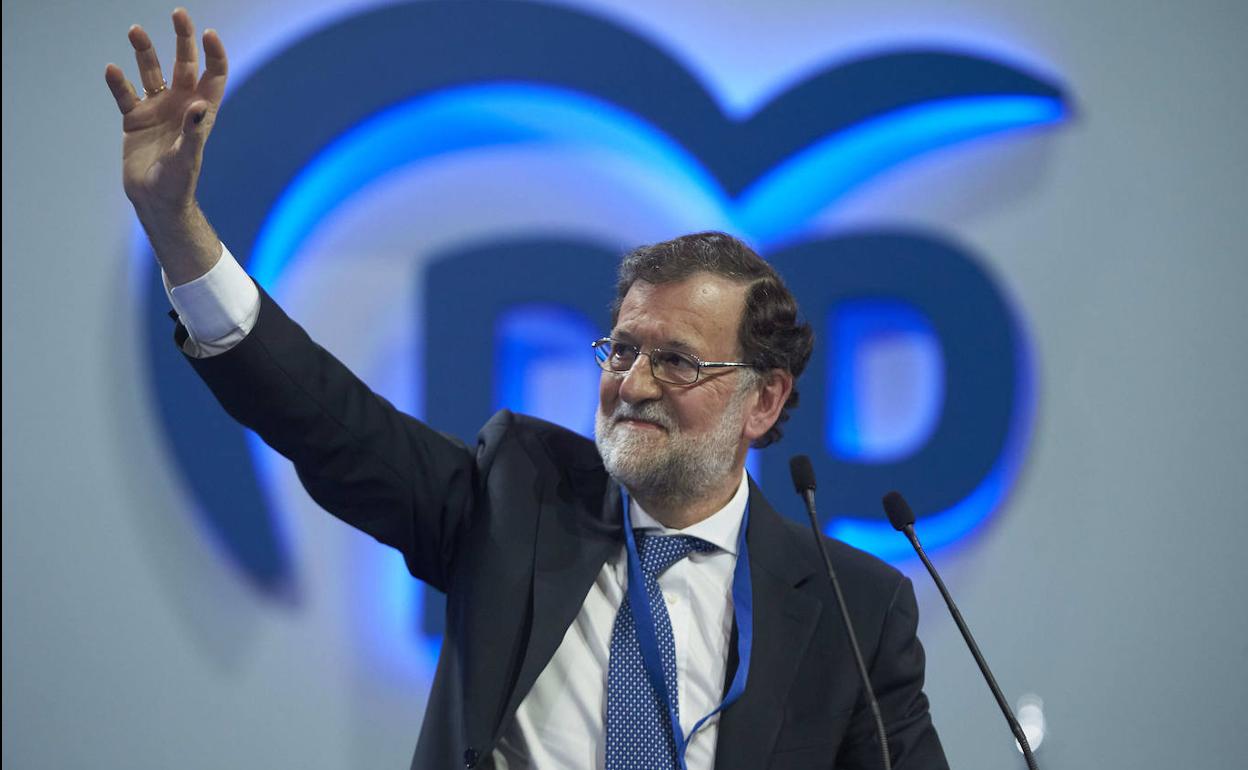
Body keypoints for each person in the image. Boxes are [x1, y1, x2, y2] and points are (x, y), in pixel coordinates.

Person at [106, 10, 948, 769]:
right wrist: (175, 227)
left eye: (677, 361)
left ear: (762, 400)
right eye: (622, 350)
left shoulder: (854, 610)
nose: (633, 383)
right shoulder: (518, 495)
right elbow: (325, 419)